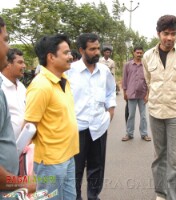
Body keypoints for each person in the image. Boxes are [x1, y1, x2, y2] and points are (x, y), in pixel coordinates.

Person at [142, 15, 176, 200]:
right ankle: (161, 194)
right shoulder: (148, 56)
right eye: (166, 33)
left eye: (173, 34)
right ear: (158, 33)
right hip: (155, 112)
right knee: (159, 158)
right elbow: (149, 82)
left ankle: (175, 197)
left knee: (175, 162)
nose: (169, 38)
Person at [24, 34, 79, 199]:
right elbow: (29, 127)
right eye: (66, 53)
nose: (71, 57)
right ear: (51, 57)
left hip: (68, 155)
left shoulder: (63, 80)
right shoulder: (41, 86)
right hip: (50, 162)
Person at [67, 33, 116, 200]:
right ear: (81, 50)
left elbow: (111, 92)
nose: (97, 52)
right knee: (76, 168)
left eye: (98, 48)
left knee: (97, 167)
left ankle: (93, 196)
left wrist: (110, 112)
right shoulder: (70, 71)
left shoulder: (104, 71)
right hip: (76, 129)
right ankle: (76, 197)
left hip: (99, 126)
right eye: (92, 49)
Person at [0, 16, 35, 196]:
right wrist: (19, 183)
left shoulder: (22, 87)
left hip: (19, 155)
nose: (24, 66)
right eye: (5, 40)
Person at [121, 46, 151, 142]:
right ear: (133, 53)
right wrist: (124, 92)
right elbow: (124, 80)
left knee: (143, 116)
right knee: (131, 115)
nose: (139, 54)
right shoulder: (127, 65)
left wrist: (147, 94)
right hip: (131, 94)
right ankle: (129, 134)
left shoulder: (146, 65)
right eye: (137, 52)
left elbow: (148, 80)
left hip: (142, 94)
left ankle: (144, 134)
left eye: (140, 53)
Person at [0, 48, 26, 139]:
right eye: (20, 62)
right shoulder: (1, 87)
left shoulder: (21, 87)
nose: (24, 66)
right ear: (8, 64)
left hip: (24, 144)